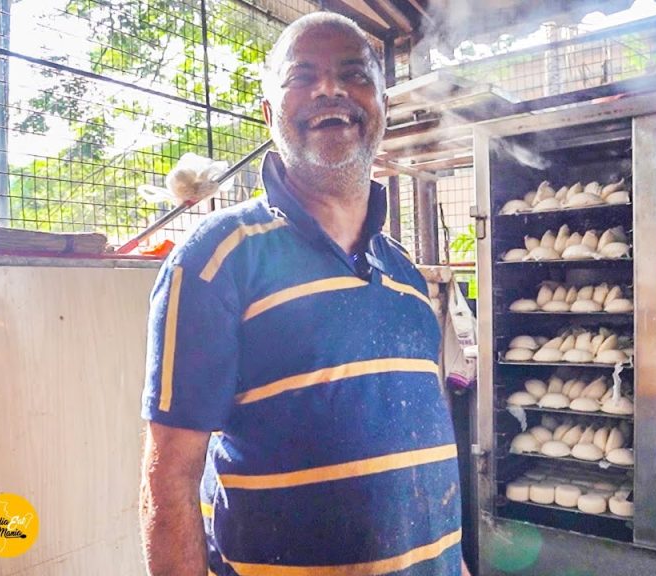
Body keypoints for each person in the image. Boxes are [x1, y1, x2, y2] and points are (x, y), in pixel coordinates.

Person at [138, 12, 467, 575]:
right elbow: (167, 479)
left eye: (354, 73)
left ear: (382, 107)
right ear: (270, 115)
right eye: (301, 76)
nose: (330, 89)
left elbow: (423, 464)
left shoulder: (409, 281)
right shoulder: (216, 259)